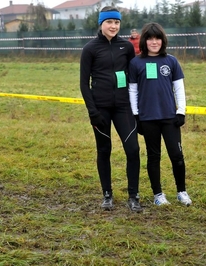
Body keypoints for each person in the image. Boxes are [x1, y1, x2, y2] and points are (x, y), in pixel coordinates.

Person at [79, 6, 142, 212]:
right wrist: (92, 111)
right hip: (101, 109)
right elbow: (83, 83)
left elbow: (133, 78)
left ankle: (133, 195)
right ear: (101, 23)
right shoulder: (90, 49)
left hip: (123, 107)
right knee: (104, 150)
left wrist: (138, 106)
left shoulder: (127, 47)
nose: (113, 26)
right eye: (109, 22)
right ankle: (107, 194)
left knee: (132, 149)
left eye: (116, 22)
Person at [128, 22, 192, 207]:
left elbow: (179, 88)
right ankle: (158, 194)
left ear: (162, 41)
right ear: (144, 41)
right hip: (148, 119)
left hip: (170, 118)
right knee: (153, 157)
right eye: (150, 38)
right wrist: (136, 115)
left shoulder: (171, 61)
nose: (154, 42)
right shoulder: (136, 63)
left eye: (157, 38)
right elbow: (133, 91)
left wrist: (181, 111)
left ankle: (182, 192)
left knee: (177, 156)